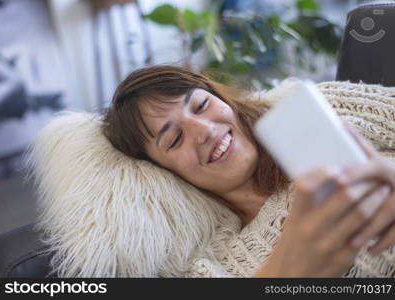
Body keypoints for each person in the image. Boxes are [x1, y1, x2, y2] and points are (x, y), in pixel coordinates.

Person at [102, 65, 395, 277]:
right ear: (163, 172)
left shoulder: (327, 108)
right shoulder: (217, 266)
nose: (204, 130)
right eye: (175, 139)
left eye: (201, 105)